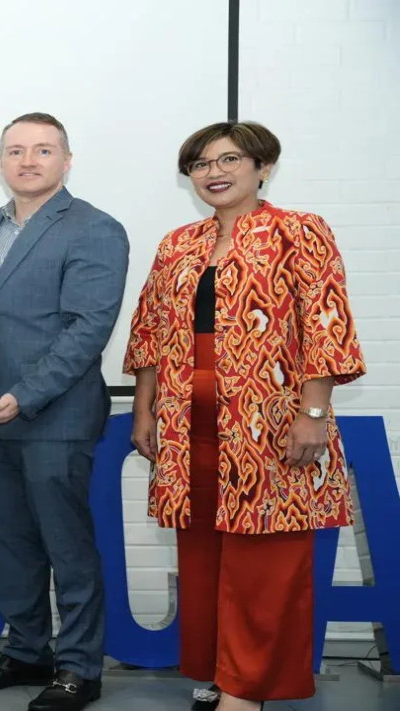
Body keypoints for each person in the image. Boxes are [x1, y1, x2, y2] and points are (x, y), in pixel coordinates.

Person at [125, 121, 365, 711]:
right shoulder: (178, 244)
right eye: (201, 164)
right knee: (202, 556)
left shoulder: (299, 232)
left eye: (230, 159)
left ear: (264, 167)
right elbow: (150, 330)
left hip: (271, 420)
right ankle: (219, 672)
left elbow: (326, 324)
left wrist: (313, 411)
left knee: (267, 558)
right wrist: (143, 409)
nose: (214, 172)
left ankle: (245, 689)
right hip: (187, 423)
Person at [0, 112, 129, 711]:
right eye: (16, 150)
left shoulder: (95, 228)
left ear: (66, 161)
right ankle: (27, 651)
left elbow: (87, 329)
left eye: (43, 150)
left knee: (66, 546)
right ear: (0, 162)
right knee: (9, 543)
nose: (28, 160)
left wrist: (24, 395)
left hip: (53, 416)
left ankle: (79, 667)